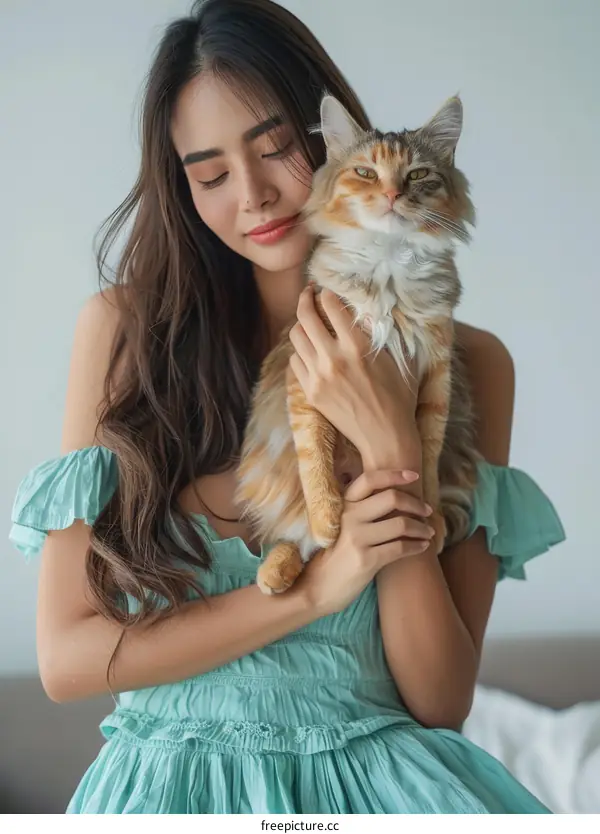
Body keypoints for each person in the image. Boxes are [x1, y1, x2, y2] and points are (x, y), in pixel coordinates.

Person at [10, 0, 566, 815]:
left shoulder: (470, 360)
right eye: (210, 175)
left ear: (332, 143)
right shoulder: (124, 337)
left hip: (382, 792)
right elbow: (67, 660)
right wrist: (315, 591)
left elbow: (441, 698)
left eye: (277, 150)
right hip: (170, 793)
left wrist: (389, 446)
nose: (256, 196)